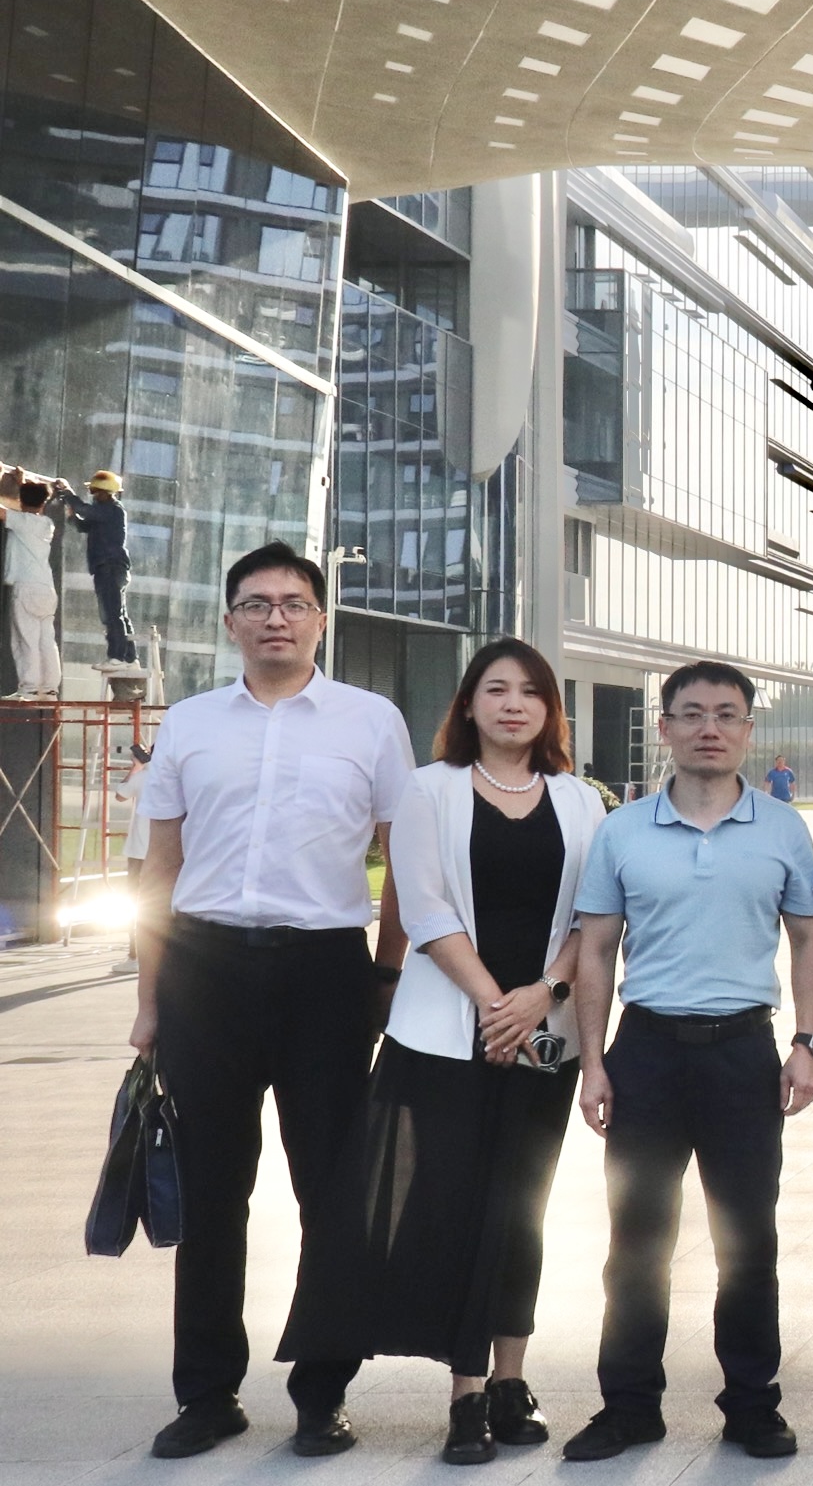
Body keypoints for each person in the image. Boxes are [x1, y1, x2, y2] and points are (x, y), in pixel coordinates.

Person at [279, 638, 605, 1464]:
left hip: (542, 1039)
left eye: (530, 691)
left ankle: (508, 1381)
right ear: (467, 705)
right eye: (495, 689)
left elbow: (593, 921)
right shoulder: (430, 789)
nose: (512, 704)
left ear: (550, 710)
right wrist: (498, 1003)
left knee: (521, 1210)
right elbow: (423, 910)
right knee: (444, 1206)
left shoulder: (581, 801)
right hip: (441, 1037)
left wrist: (541, 996)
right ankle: (462, 1393)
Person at [126, 540, 417, 1459]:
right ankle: (207, 1392)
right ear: (231, 622)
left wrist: (383, 977)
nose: (276, 617)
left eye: (294, 602)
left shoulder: (371, 722)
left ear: (321, 618)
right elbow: (158, 870)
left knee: (330, 1187)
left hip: (326, 973)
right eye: (257, 603)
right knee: (212, 1190)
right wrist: (149, 999)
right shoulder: (190, 724)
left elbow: (405, 864)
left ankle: (322, 1390)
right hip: (204, 969)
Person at [562, 660, 813, 1462]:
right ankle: (628, 1405)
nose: (708, 727)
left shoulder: (781, 828)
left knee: (747, 1238)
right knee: (636, 1239)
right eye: (691, 713)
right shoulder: (623, 830)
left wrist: (806, 1042)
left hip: (744, 1052)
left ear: (748, 728)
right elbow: (596, 949)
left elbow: (808, 939)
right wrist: (593, 1062)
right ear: (666, 726)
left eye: (725, 713)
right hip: (646, 1049)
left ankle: (751, 1404)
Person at [57, 470, 138, 665]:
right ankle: (129, 657)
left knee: (111, 614)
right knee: (118, 613)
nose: (93, 495)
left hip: (110, 567)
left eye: (95, 491)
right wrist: (72, 517)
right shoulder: (105, 511)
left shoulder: (112, 510)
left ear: (106, 492)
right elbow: (84, 526)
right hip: (109, 567)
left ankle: (117, 656)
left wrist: (67, 493)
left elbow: (84, 510)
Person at [4, 476, 62, 696]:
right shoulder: (47, 524)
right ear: (43, 503)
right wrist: (22, 485)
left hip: (26, 587)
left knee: (25, 638)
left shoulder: (21, 521)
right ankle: (49, 687)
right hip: (46, 589)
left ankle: (29, 687)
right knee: (46, 640)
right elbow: (31, 503)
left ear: (21, 501)